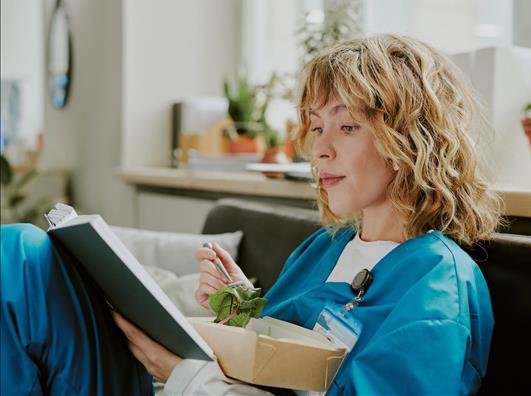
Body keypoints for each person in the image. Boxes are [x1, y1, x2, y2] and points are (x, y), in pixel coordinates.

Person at [1, 34, 502, 396]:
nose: (320, 150)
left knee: (18, 258)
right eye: (316, 126)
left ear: (411, 141)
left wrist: (183, 375)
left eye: (347, 127)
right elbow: (272, 361)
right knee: (22, 255)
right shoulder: (323, 249)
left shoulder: (436, 287)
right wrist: (236, 310)